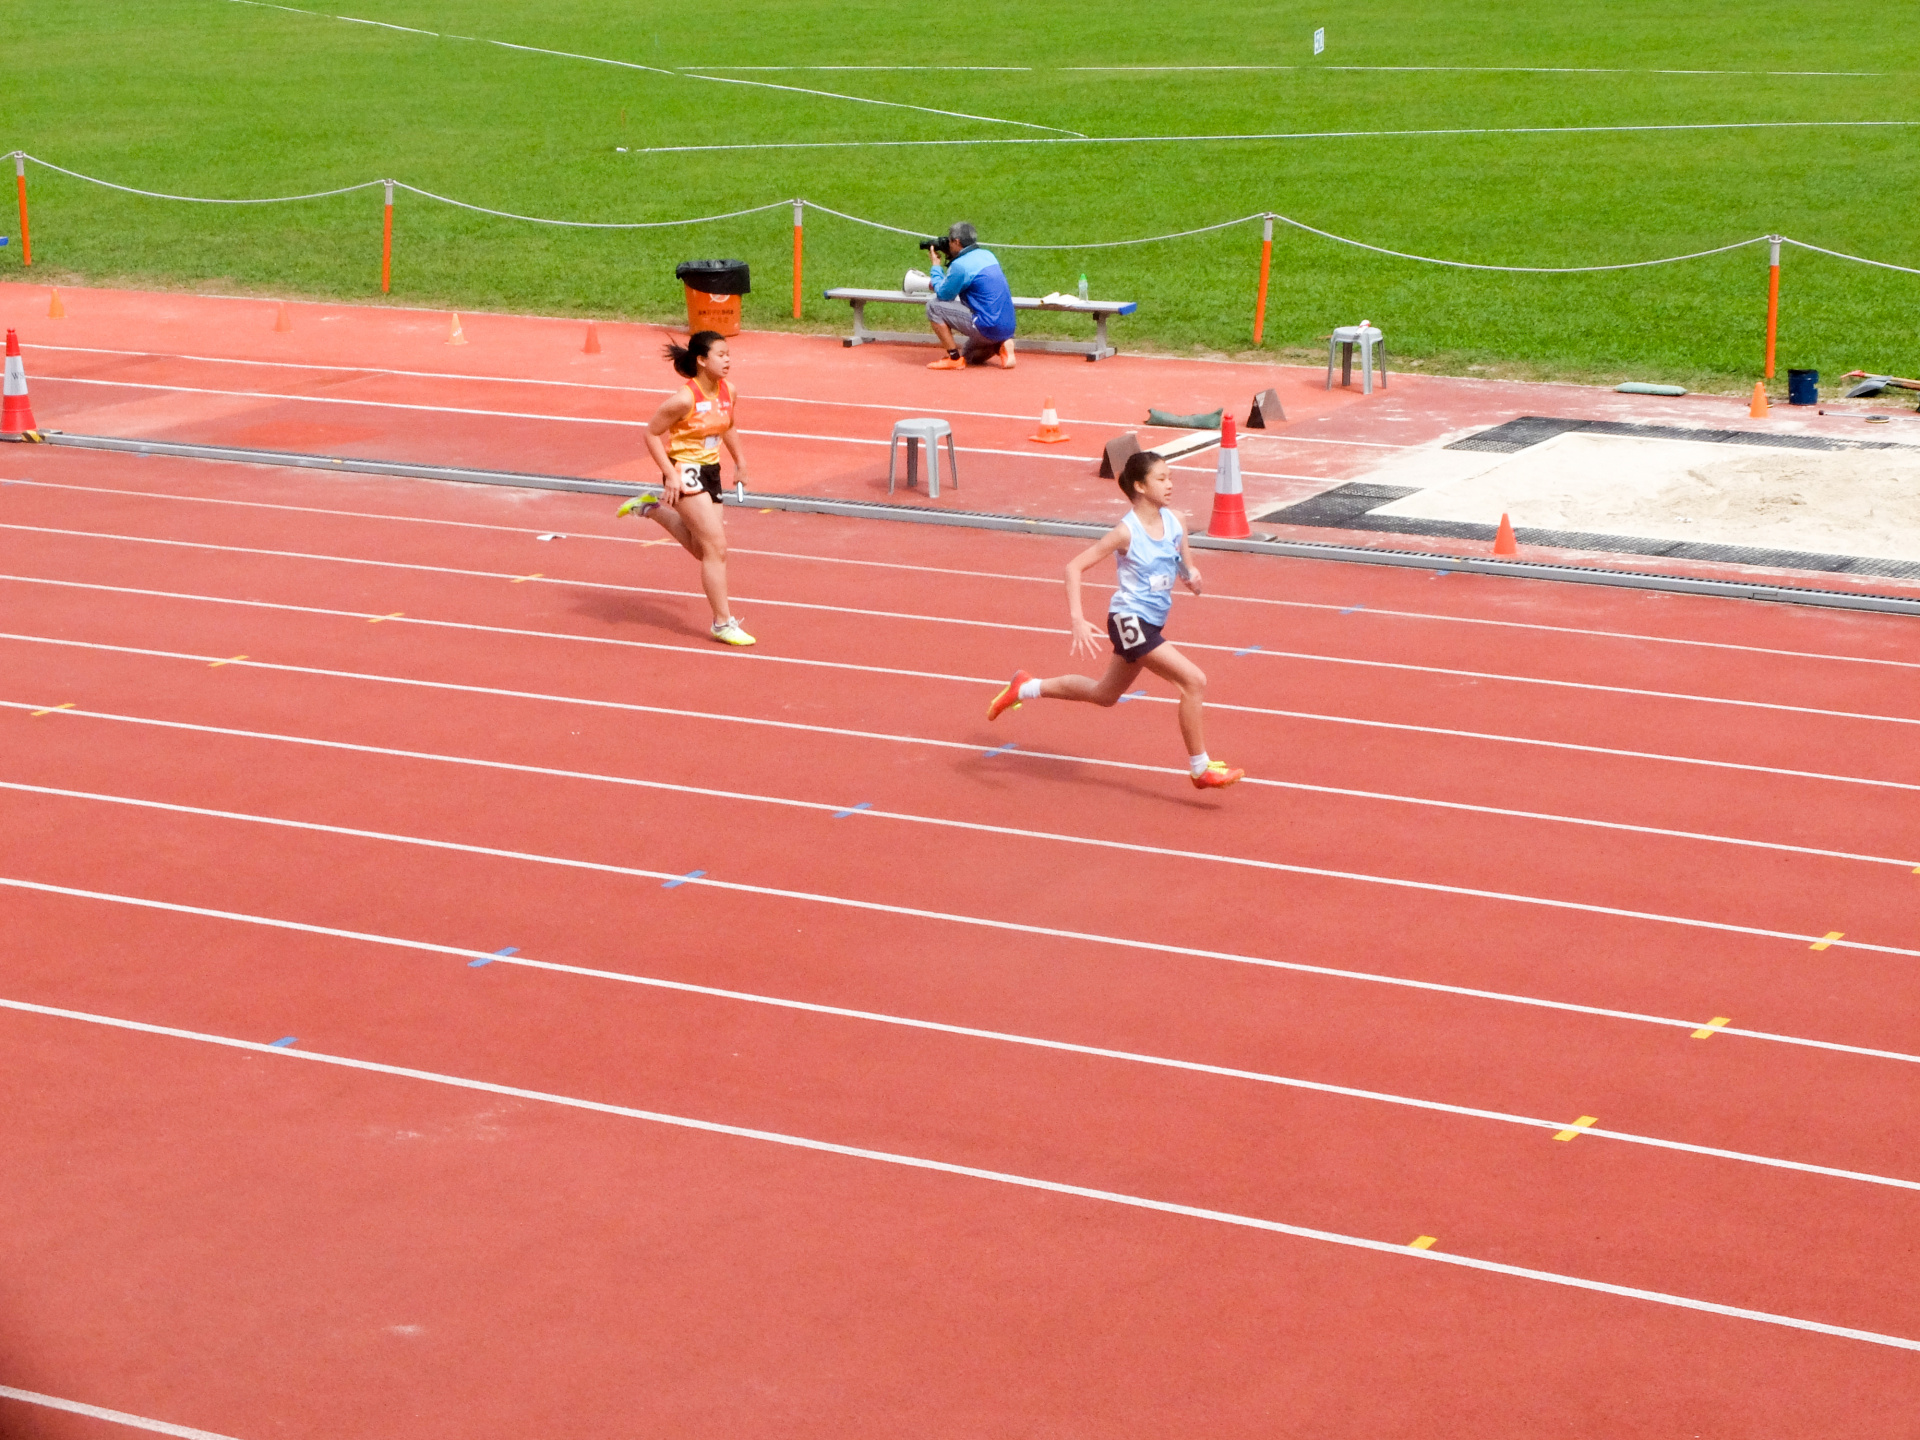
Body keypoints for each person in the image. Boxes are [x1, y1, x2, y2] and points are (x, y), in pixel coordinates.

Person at [986, 451, 1244, 790]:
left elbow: (1182, 564)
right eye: (1161, 479)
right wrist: (1077, 619)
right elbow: (1074, 567)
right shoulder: (1126, 532)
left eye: (1170, 477)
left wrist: (1191, 576)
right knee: (1193, 681)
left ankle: (1025, 686)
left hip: (1152, 622)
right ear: (1140, 486)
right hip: (1128, 621)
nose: (1170, 484)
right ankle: (1200, 768)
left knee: (1104, 694)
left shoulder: (1176, 521)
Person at [615, 331, 755, 647]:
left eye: (729, 354)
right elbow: (651, 434)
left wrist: (740, 461)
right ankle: (723, 623)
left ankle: (650, 508)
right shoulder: (684, 399)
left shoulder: (728, 390)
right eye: (721, 355)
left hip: (711, 471)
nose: (728, 360)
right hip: (683, 471)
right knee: (716, 548)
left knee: (702, 549)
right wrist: (670, 475)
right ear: (702, 360)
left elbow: (729, 425)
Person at [925, 222, 1016, 371]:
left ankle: (954, 359)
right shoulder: (988, 255)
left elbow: (944, 295)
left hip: (986, 324)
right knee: (969, 356)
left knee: (933, 307)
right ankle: (1000, 345)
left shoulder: (960, 265)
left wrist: (936, 266)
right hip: (1007, 326)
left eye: (950, 241)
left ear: (957, 242)